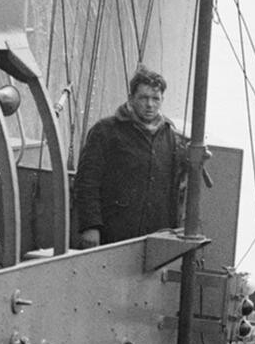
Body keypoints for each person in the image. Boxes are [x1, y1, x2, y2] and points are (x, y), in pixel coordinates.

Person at [72, 67, 187, 246]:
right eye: (143, 98)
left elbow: (175, 189)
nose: (150, 105)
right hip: (112, 234)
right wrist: (90, 226)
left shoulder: (170, 137)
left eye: (155, 99)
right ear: (131, 98)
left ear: (162, 100)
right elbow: (87, 182)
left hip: (155, 237)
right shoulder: (106, 131)